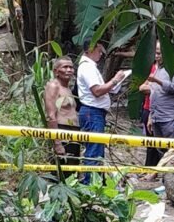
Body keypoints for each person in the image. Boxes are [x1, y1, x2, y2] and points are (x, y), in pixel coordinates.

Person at [77, 40, 127, 179]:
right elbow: (97, 91)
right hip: (92, 113)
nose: (100, 54)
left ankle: (96, 182)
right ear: (90, 50)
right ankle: (90, 184)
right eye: (99, 51)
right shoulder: (87, 67)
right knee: (94, 149)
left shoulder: (90, 67)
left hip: (94, 112)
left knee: (97, 149)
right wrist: (115, 80)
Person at [44, 57, 80, 166]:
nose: (69, 70)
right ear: (56, 71)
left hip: (73, 133)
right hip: (61, 131)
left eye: (71, 67)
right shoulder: (53, 86)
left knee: (72, 172)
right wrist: (57, 143)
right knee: (61, 170)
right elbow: (51, 115)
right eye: (65, 67)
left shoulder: (67, 88)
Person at [148, 41, 174, 140]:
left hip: (169, 117)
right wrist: (150, 116)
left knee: (172, 150)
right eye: (154, 53)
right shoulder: (158, 68)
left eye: (159, 53)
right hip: (156, 117)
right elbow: (153, 92)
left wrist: (157, 80)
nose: (156, 56)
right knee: (160, 150)